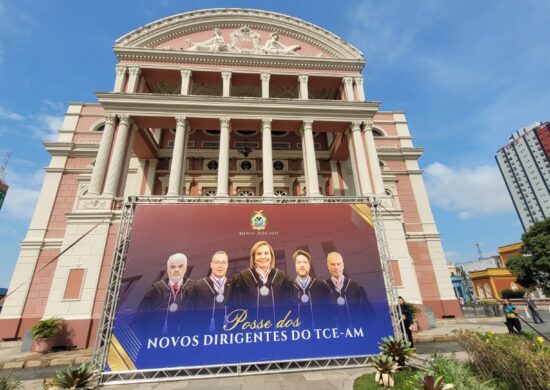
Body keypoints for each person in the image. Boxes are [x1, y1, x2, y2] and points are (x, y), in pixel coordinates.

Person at [229, 241, 292, 323]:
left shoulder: (282, 277)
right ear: (253, 258)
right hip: (249, 327)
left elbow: (289, 307)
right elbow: (235, 309)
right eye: (259, 254)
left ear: (271, 257)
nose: (263, 257)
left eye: (266, 253)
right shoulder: (242, 278)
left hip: (278, 327)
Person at [138, 253, 192, 333]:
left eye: (180, 266)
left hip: (186, 338)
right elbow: (141, 317)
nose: (176, 270)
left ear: (185, 269)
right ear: (168, 269)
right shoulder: (155, 289)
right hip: (157, 338)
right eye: (173, 267)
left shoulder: (195, 289)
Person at [186, 251, 232, 332]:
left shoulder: (234, 285)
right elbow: (189, 312)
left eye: (223, 263)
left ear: (227, 265)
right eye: (217, 262)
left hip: (228, 334)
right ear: (211, 265)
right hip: (202, 332)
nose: (220, 266)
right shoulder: (197, 285)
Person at [325, 251, 369, 329]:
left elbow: (367, 314)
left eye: (338, 264)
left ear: (343, 265)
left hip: (356, 332)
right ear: (328, 266)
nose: (336, 267)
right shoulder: (322, 288)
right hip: (333, 334)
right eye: (332, 264)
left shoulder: (356, 287)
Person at [290, 249, 331, 328]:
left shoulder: (322, 286)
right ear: (295, 265)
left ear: (309, 265)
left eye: (305, 262)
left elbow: (330, 313)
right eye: (299, 262)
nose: (302, 265)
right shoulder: (288, 288)